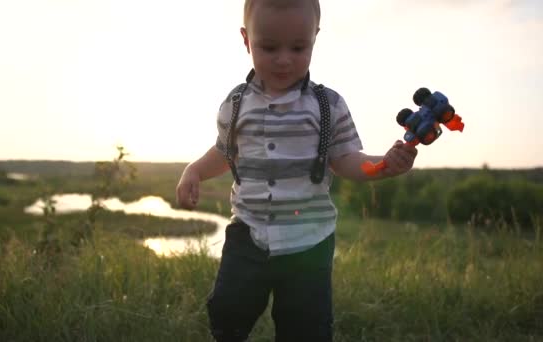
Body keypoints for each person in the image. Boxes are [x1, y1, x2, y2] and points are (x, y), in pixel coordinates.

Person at [176, 0, 418, 340]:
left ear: (314, 38)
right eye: (269, 47)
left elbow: (346, 158)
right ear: (247, 40)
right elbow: (224, 151)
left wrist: (382, 166)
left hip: (309, 243)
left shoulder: (327, 105)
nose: (284, 59)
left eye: (298, 47)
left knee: (306, 329)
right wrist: (195, 171)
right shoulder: (236, 103)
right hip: (248, 234)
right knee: (227, 312)